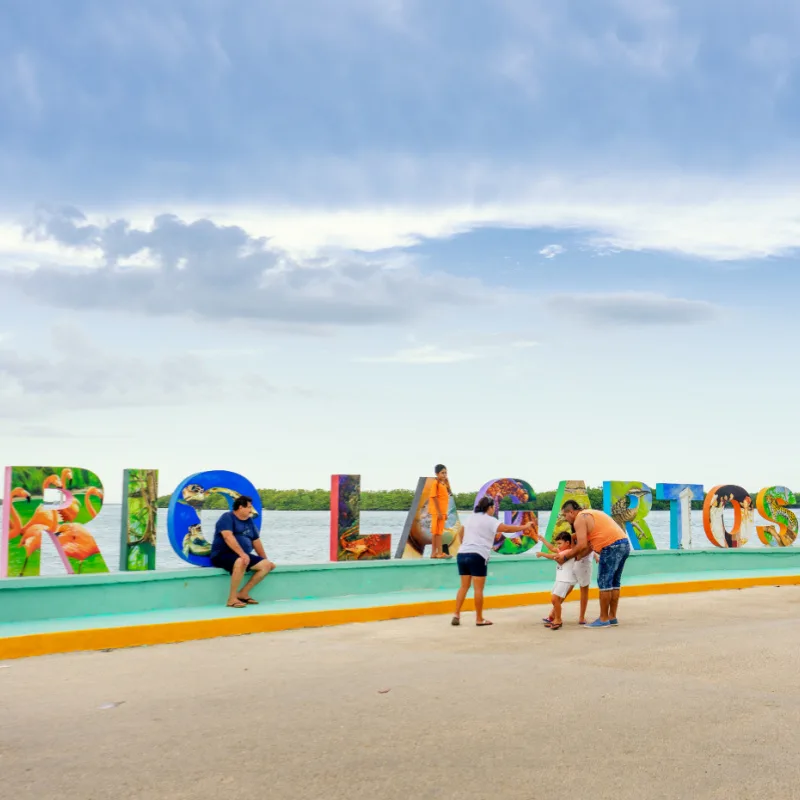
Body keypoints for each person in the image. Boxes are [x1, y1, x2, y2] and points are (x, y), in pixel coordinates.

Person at [452, 495, 537, 627]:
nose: (494, 510)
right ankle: (479, 619)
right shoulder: (490, 520)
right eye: (494, 508)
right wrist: (524, 526)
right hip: (478, 555)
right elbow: (507, 529)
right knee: (478, 589)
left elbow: (460, 534)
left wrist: (466, 544)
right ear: (490, 508)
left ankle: (456, 614)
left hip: (462, 554)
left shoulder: (470, 518)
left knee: (464, 586)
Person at [558, 501, 630, 628]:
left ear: (571, 512)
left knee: (604, 582)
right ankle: (612, 617)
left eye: (565, 515)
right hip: (624, 544)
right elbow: (588, 547)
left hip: (610, 546)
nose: (565, 519)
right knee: (614, 582)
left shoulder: (579, 518)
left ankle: (603, 619)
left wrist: (565, 557)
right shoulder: (591, 514)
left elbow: (581, 545)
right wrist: (577, 557)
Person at [210, 495, 276, 608]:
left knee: (266, 565)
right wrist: (242, 554)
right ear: (241, 507)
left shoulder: (249, 521)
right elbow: (228, 537)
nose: (251, 510)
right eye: (249, 507)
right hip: (222, 554)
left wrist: (265, 559)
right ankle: (231, 599)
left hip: (242, 555)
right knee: (241, 561)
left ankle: (243, 593)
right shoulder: (227, 517)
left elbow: (256, 541)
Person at [537, 528, 595, 628]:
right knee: (555, 600)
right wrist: (543, 540)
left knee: (555, 599)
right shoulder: (562, 550)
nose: (558, 546)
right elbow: (552, 548)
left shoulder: (568, 552)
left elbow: (554, 557)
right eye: (558, 544)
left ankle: (558, 620)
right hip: (559, 579)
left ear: (568, 543)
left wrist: (542, 554)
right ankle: (556, 618)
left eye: (560, 543)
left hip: (565, 580)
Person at [429, 464, 452, 559]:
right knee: (437, 533)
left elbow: (449, 493)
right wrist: (438, 512)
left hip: (442, 512)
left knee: (438, 533)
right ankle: (438, 552)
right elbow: (434, 497)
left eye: (445, 473)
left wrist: (447, 482)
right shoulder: (436, 483)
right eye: (442, 473)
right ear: (437, 473)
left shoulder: (444, 483)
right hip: (437, 512)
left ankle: (435, 553)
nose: (444, 475)